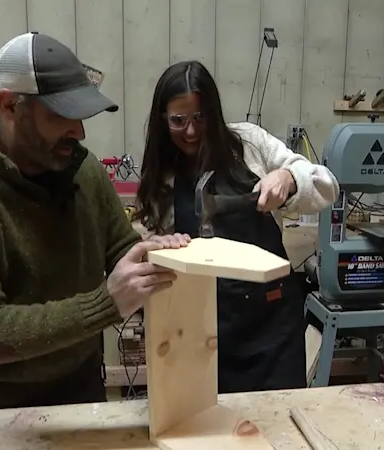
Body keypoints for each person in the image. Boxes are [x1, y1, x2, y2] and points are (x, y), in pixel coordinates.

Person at [0, 32, 188, 410]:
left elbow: (119, 249)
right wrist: (104, 303)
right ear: (9, 105)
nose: (79, 132)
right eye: (61, 114)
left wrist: (155, 257)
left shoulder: (85, 171)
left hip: (84, 388)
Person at [134, 60, 340, 394]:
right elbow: (155, 243)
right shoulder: (163, 174)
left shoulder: (249, 144)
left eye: (200, 118)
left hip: (271, 327)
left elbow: (327, 185)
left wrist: (288, 178)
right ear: (162, 120)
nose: (190, 131)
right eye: (178, 120)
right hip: (203, 329)